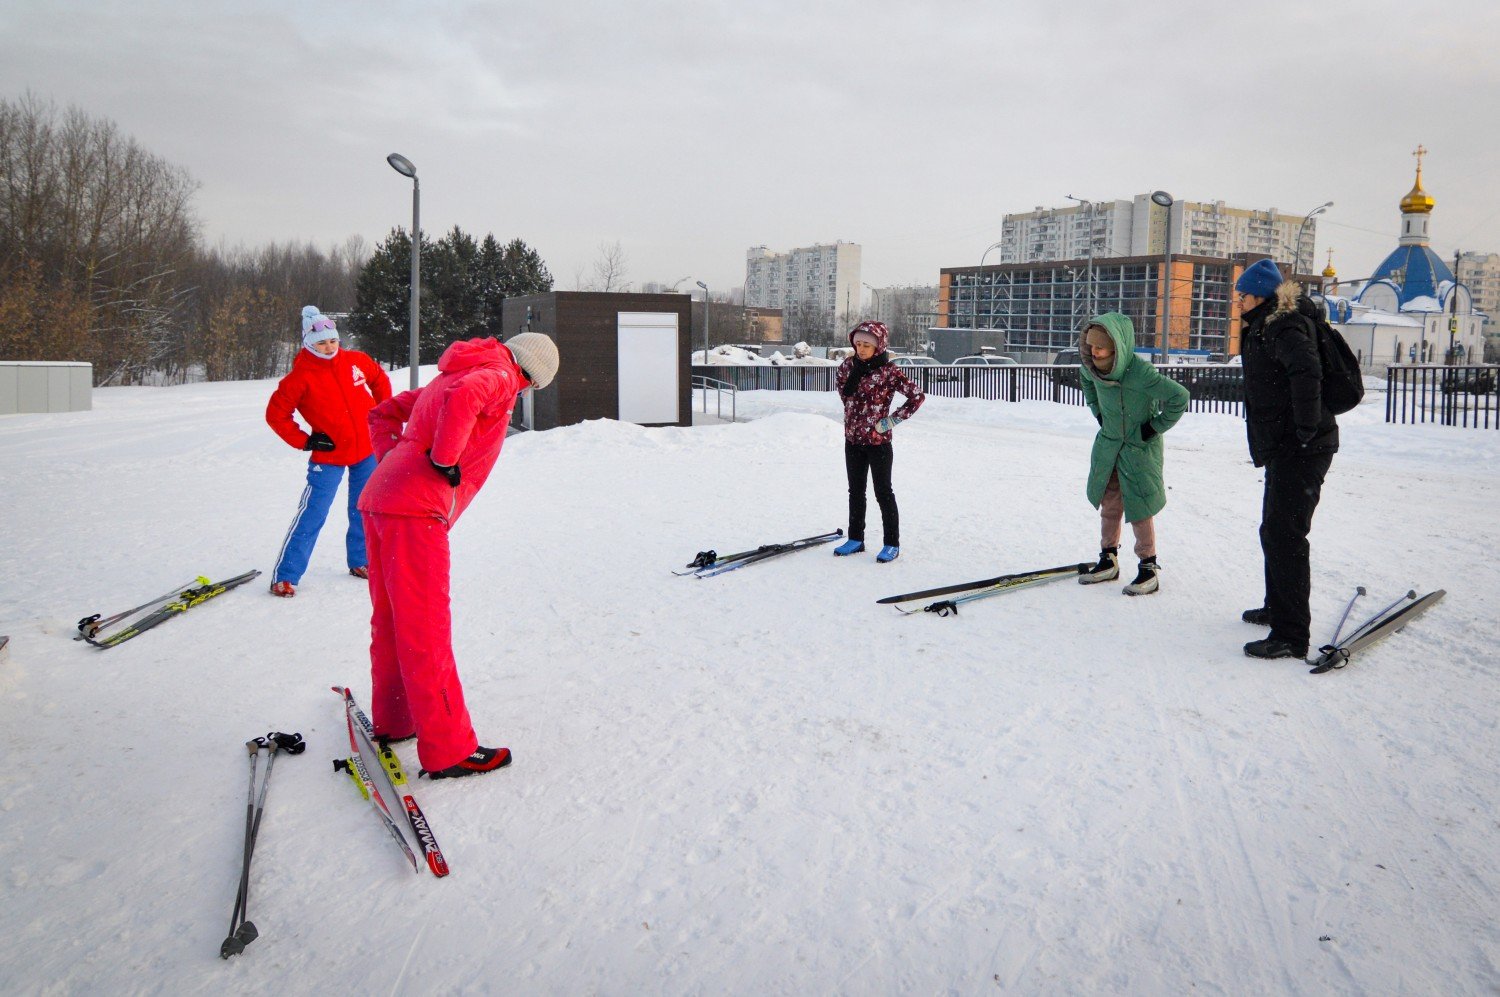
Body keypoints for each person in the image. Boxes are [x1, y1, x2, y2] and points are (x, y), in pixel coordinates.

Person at [358, 332, 559, 779]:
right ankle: (449, 749)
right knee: (425, 627)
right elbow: (470, 397)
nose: (524, 393)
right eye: (533, 387)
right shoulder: (500, 374)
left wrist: (396, 460)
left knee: (392, 618)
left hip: (381, 501)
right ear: (531, 374)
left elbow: (383, 411)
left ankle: (396, 718)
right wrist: (444, 461)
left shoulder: (453, 374)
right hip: (416, 512)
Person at [1235, 258, 1338, 660]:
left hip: (1302, 448)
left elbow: (1306, 372)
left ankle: (1291, 635)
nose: (1236, 301)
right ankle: (1277, 607)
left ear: (1258, 294)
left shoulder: (1283, 325)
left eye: (1241, 294)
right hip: (1287, 446)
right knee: (1274, 531)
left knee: (1285, 536)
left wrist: (1304, 431)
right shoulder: (1268, 324)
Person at [265, 306, 392, 597]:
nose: (329, 346)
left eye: (332, 340)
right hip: (329, 456)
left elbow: (379, 381)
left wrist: (383, 414)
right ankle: (286, 575)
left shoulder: (356, 361)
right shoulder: (300, 377)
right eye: (321, 342)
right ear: (309, 343)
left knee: (363, 508)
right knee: (313, 514)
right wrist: (305, 441)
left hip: (366, 451)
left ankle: (360, 560)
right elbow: (276, 415)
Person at [1076, 313, 1190, 595]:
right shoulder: (1091, 369)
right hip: (1109, 444)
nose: (1094, 351)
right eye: (1091, 346)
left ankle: (1148, 566)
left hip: (1139, 449)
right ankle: (1108, 559)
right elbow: (1088, 386)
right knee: (1110, 503)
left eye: (1100, 347)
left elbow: (1179, 397)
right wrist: (1099, 413)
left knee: (1140, 507)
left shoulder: (1141, 373)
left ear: (1117, 347)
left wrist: (1153, 428)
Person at [832, 321, 924, 563]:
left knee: (883, 492)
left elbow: (917, 396)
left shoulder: (889, 371)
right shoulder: (847, 366)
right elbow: (844, 392)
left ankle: (891, 543)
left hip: (878, 442)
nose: (861, 349)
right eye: (858, 344)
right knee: (855, 491)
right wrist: (855, 417)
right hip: (852, 439)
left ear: (878, 346)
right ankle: (855, 538)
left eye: (867, 345)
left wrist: (891, 421)